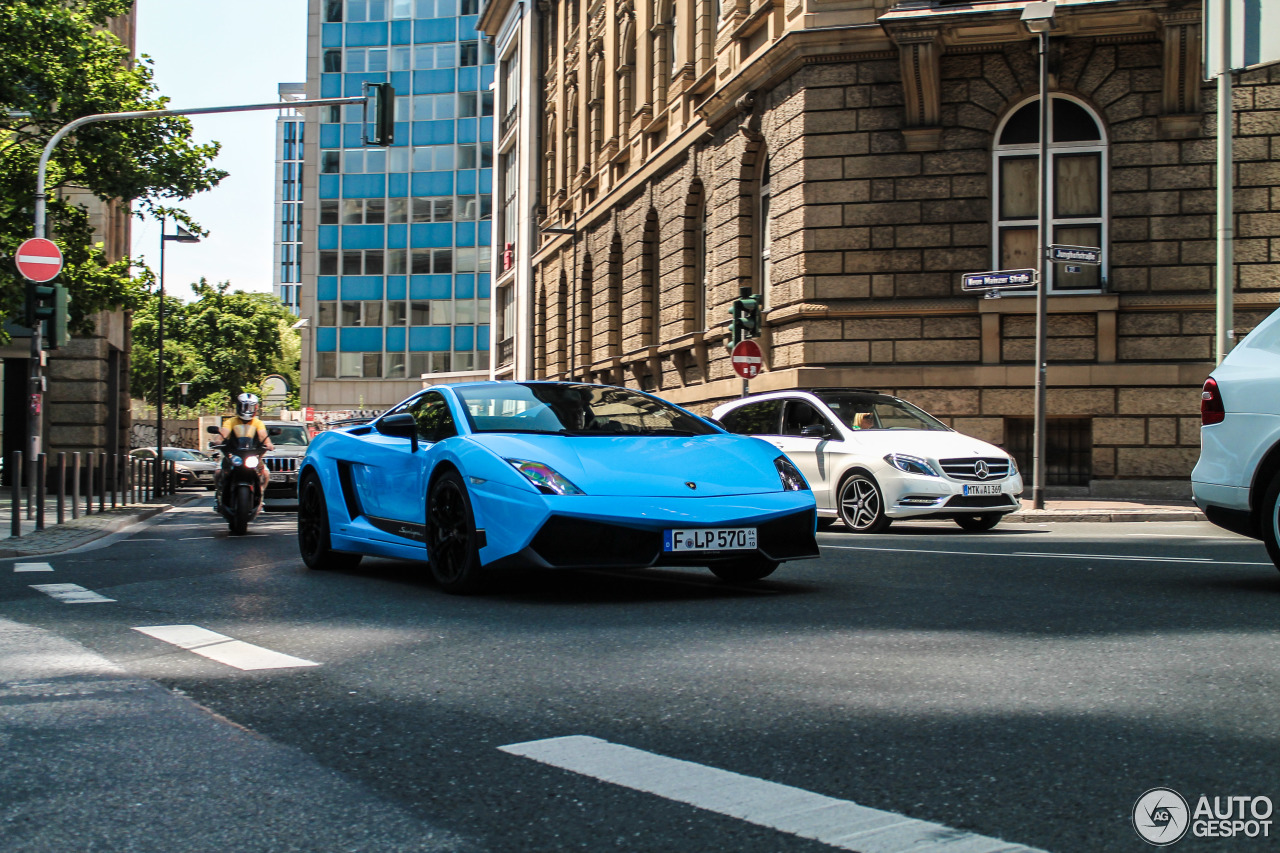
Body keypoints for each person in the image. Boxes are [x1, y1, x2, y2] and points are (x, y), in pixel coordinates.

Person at [217, 392, 274, 507]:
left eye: (250, 407)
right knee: (217, 472)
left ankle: (260, 495)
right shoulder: (231, 421)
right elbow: (224, 433)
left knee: (266, 474)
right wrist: (218, 441)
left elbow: (263, 435)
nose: (247, 410)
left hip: (252, 455)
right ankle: (219, 494)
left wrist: (269, 444)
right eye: (244, 406)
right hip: (234, 455)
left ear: (256, 408)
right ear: (238, 406)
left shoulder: (258, 423)